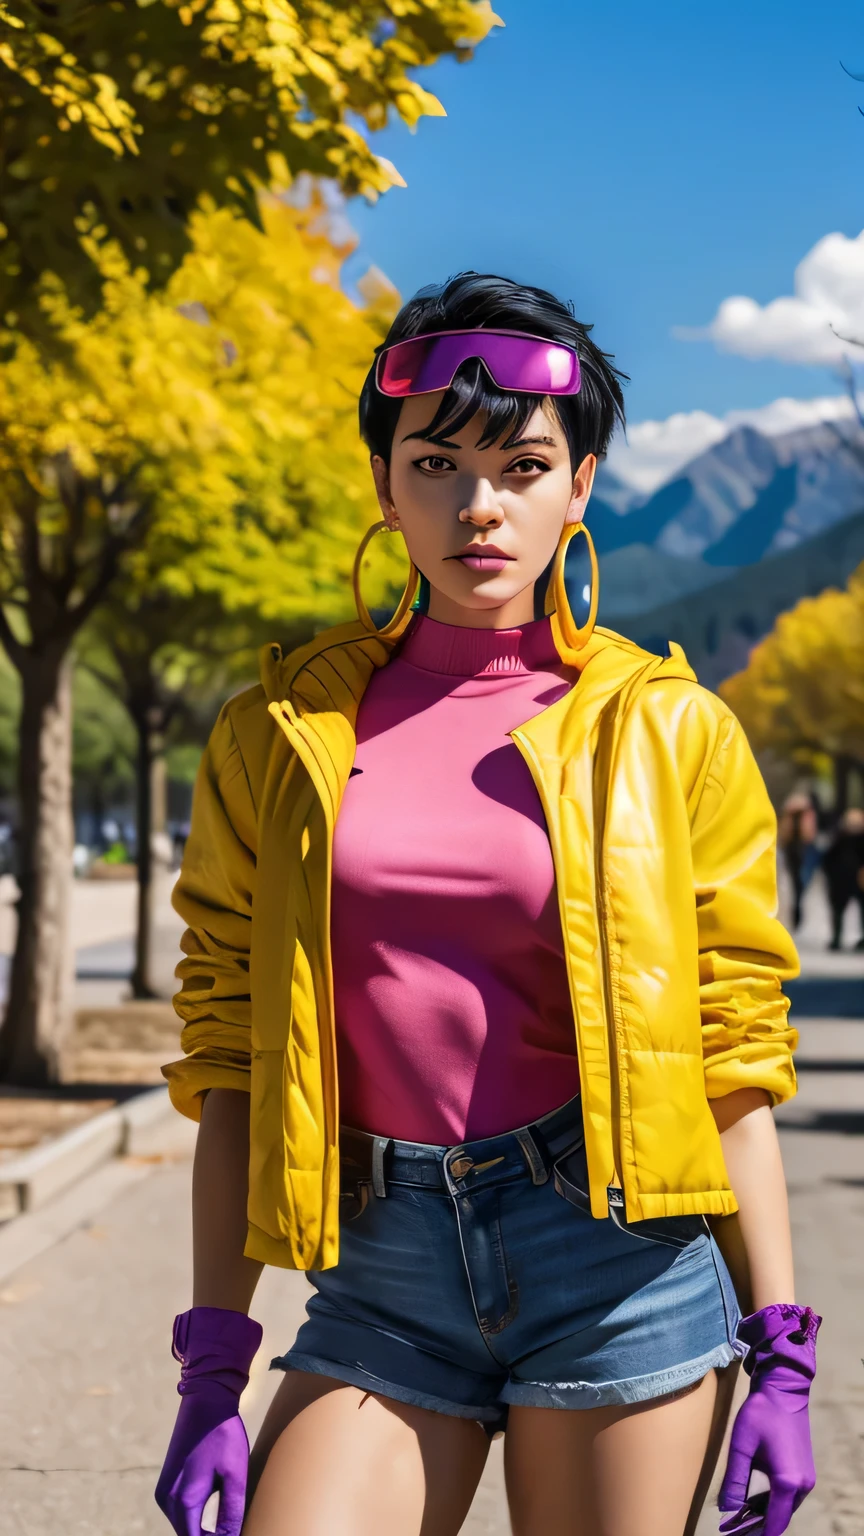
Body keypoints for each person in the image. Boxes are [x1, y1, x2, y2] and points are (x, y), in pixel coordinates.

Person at [155, 274, 820, 1536]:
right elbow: (231, 1053)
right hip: (382, 1268)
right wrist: (212, 1366)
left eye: (522, 466)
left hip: (618, 1260)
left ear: (579, 488)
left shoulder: (671, 733)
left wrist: (781, 1351)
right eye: (436, 464)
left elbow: (729, 1050)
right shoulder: (277, 737)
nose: (478, 507)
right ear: (383, 482)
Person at [821, 806, 864, 951]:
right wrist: (831, 876)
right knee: (838, 911)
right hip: (840, 881)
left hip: (858, 880)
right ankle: (836, 938)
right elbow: (828, 859)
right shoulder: (839, 838)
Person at [777, 791, 818, 931]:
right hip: (792, 850)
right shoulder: (790, 817)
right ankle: (795, 914)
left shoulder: (807, 816)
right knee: (796, 882)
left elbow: (810, 834)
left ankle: (797, 912)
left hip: (803, 849)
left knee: (801, 882)